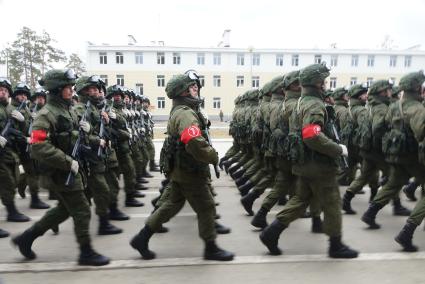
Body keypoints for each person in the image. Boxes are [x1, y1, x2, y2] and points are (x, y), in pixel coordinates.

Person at [130, 71, 234, 261]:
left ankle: (141, 238)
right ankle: (211, 248)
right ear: (182, 92)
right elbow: (193, 139)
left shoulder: (184, 110)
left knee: (170, 204)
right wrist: (212, 156)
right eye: (192, 87)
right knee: (207, 207)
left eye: (196, 86)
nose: (196, 89)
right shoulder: (185, 114)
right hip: (190, 170)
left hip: (181, 169)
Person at [259, 63, 358, 259]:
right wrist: (338, 149)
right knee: (332, 202)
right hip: (318, 165)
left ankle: (272, 232)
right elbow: (311, 136)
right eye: (324, 80)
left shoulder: (299, 102)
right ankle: (336, 245)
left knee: (300, 200)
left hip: (303, 163)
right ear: (318, 83)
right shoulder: (314, 105)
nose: (326, 84)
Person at [12, 69, 110, 266]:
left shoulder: (68, 109)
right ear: (57, 89)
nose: (72, 90)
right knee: (82, 210)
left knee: (63, 210)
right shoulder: (46, 114)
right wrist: (67, 162)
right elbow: (38, 146)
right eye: (68, 87)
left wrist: (93, 138)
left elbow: (74, 137)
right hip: (60, 173)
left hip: (73, 170)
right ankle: (86, 252)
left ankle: (26, 238)